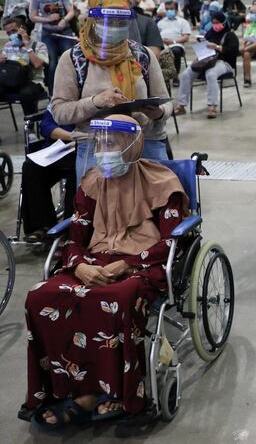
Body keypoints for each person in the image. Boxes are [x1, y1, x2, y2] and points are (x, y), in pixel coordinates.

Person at [24, 114, 188, 428]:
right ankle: (66, 388)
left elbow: (171, 243)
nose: (103, 150)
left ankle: (114, 392)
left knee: (116, 298)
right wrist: (80, 266)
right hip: (93, 261)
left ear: (132, 145)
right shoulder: (91, 183)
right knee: (41, 296)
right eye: (100, 142)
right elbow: (74, 238)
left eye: (110, 143)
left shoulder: (162, 183)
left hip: (142, 265)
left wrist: (128, 263)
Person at [51, 0, 172, 175]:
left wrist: (157, 112)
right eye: (110, 21)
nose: (116, 26)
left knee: (157, 200)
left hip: (145, 140)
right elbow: (59, 112)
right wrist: (95, 102)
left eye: (122, 21)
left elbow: (165, 102)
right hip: (96, 145)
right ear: (93, 20)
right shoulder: (74, 59)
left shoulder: (142, 55)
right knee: (95, 202)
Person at [20, 107, 79, 243]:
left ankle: (71, 228)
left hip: (84, 149)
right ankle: (42, 225)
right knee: (31, 167)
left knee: (78, 171)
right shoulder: (60, 97)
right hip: (59, 147)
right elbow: (46, 126)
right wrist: (70, 136)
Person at [175, 10, 238, 118]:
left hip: (223, 62)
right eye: (213, 23)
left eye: (217, 22)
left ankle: (212, 106)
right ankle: (181, 105)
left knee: (211, 74)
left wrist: (217, 47)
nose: (215, 25)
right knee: (186, 74)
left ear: (223, 22)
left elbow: (233, 52)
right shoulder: (210, 33)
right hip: (206, 61)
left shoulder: (230, 35)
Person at [29, 0, 75, 92]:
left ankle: (74, 88)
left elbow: (71, 11)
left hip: (64, 31)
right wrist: (47, 19)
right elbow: (32, 16)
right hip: (48, 33)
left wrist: (64, 20)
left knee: (69, 60)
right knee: (51, 63)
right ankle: (53, 92)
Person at [0, 16, 48, 116]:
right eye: (8, 33)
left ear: (23, 29)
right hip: (11, 81)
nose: (11, 35)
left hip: (32, 82)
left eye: (14, 31)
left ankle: (30, 125)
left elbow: (38, 64)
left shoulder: (39, 45)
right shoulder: (8, 46)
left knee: (26, 94)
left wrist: (27, 45)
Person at [157, 1, 192, 83]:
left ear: (176, 10)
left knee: (175, 51)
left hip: (176, 44)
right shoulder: (161, 22)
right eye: (167, 9)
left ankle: (175, 76)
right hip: (162, 45)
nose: (169, 11)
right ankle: (162, 77)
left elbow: (186, 37)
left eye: (171, 9)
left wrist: (173, 41)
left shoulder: (182, 22)